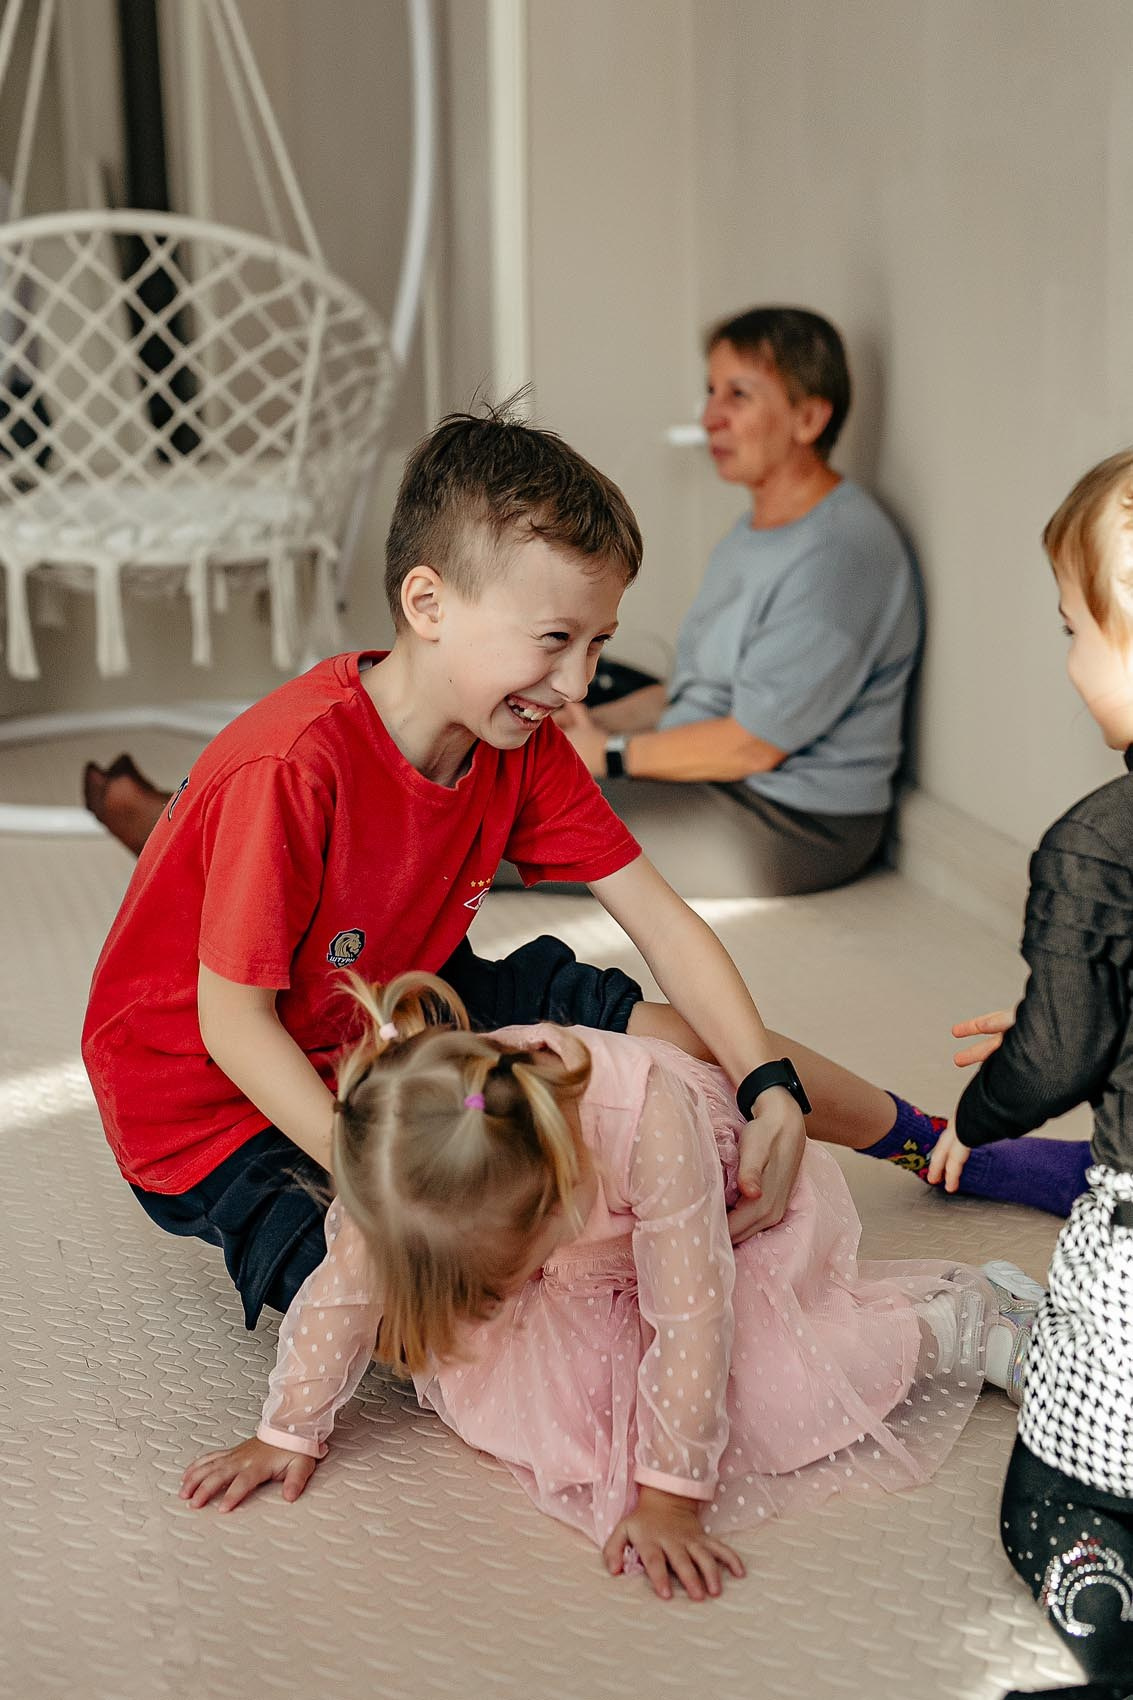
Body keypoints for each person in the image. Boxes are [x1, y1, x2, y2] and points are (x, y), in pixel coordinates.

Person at [83, 403, 823, 1343]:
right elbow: (232, 1024)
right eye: (555, 639)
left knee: (698, 1044)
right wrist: (384, 1178)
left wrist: (768, 1087)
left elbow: (661, 922)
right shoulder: (292, 767)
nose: (580, 684)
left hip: (394, 987)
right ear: (427, 605)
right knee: (438, 1326)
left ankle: (927, 1141)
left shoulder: (519, 734)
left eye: (597, 643)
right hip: (207, 1093)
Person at [180, 970, 1042, 1603]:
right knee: (545, 1413)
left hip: (722, 1231)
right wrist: (288, 1429)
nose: (480, 1294)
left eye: (490, 1273)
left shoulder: (649, 1124)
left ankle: (959, 1322)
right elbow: (343, 1288)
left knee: (775, 1395)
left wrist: (672, 1496)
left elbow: (692, 1315)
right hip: (584, 1262)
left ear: (554, 1202)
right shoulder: (403, 1157)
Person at [927, 451, 1133, 1700]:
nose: (1069, 662)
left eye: (1074, 630)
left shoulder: (1094, 844)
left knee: (1050, 1485)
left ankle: (1102, 1617)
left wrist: (974, 1110)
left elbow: (1051, 1062)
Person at [557, 305, 921, 900]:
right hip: (721, 781)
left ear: (808, 418)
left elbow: (753, 741)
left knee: (510, 823)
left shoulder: (841, 551)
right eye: (709, 391)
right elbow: (701, 690)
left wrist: (609, 754)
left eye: (739, 395)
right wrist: (591, 727)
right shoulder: (752, 533)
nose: (710, 418)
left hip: (789, 823)